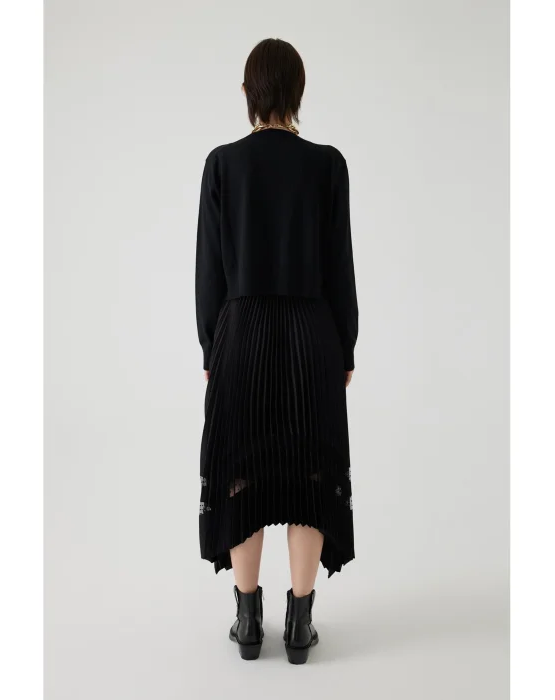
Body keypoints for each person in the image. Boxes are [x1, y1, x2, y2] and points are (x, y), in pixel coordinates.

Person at [195, 37, 358, 664]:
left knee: (242, 473)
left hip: (242, 334)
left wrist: (212, 346)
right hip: (312, 334)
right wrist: (345, 346)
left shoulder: (222, 164)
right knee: (311, 474)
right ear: (299, 92)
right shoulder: (327, 165)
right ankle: (298, 624)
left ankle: (246, 620)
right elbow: (339, 267)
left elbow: (210, 270)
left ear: (247, 92)